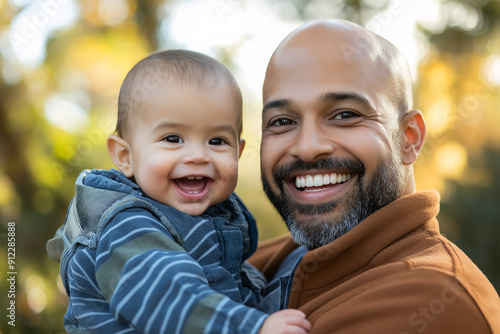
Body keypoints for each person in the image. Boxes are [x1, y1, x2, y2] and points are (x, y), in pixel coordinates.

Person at [249, 19, 500, 333]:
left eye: (345, 115)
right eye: (282, 121)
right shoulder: (244, 257)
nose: (308, 147)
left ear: (409, 138)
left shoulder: (427, 299)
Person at [47, 50, 311, 334]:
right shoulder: (128, 226)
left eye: (217, 140)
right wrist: (253, 327)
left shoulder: (215, 214)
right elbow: (168, 296)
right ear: (126, 156)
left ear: (239, 151)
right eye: (173, 138)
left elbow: (232, 282)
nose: (198, 155)